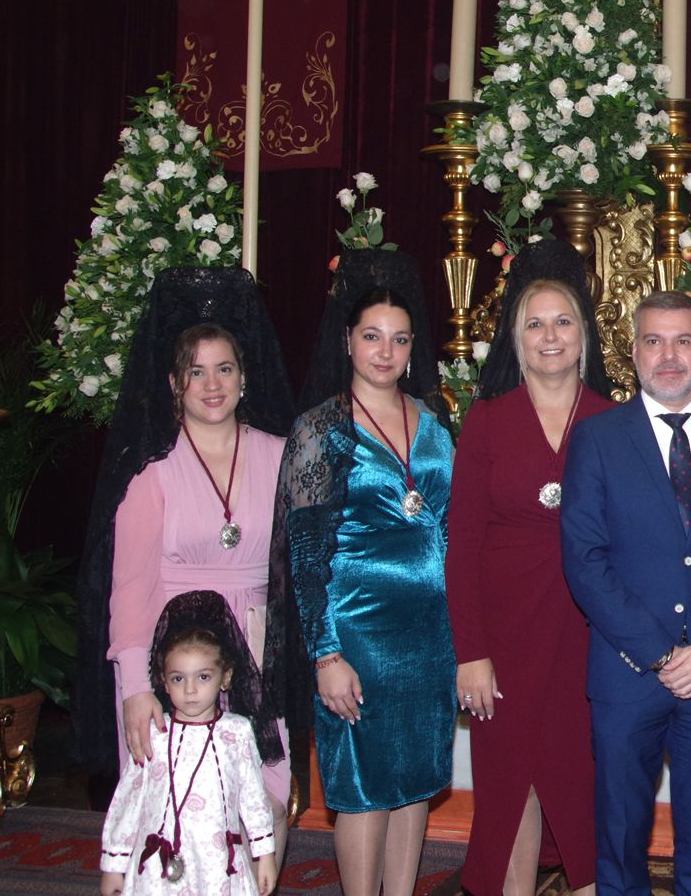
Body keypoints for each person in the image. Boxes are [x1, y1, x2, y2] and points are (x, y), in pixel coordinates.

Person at [562, 291, 691, 896]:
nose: (669, 356)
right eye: (654, 341)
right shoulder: (598, 439)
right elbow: (584, 560)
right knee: (621, 836)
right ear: (633, 353)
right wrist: (659, 652)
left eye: (684, 341)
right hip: (626, 675)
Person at [76, 267, 294, 860]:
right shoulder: (150, 470)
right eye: (196, 372)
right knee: (177, 829)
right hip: (172, 669)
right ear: (175, 383)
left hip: (252, 659)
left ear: (245, 378)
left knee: (259, 817)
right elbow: (129, 590)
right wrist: (134, 691)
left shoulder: (281, 457)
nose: (212, 384)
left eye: (224, 368)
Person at [279, 251, 456, 896]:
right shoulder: (320, 429)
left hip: (431, 635)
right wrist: (326, 653)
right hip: (357, 631)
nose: (385, 351)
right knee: (359, 786)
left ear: (413, 348)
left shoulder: (436, 423)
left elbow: (449, 529)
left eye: (399, 338)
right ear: (348, 341)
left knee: (414, 780)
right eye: (372, 336)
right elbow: (304, 555)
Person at [447, 240, 615, 896]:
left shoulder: (613, 420)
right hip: (505, 640)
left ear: (583, 335)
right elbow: (461, 544)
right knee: (509, 789)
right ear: (516, 337)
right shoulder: (486, 422)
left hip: (585, 638)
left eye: (563, 321)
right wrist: (471, 652)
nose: (551, 335)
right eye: (536, 323)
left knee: (580, 787)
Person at [99, 591, 278, 896]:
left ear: (225, 677)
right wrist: (113, 864)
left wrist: (265, 856)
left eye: (203, 677)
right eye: (179, 679)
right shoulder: (154, 732)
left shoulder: (236, 732)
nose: (191, 690)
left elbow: (253, 799)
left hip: (216, 865)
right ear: (164, 682)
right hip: (157, 870)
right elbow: (129, 801)